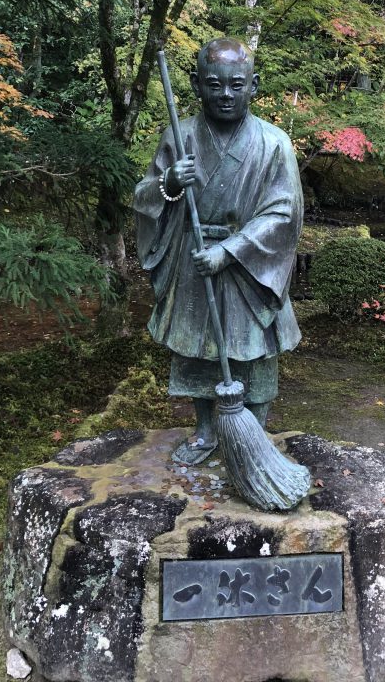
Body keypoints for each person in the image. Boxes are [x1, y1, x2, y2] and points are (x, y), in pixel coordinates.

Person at [134, 37, 303, 465]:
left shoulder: (274, 143)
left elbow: (284, 214)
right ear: (195, 84)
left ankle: (255, 434)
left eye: (236, 85)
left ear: (254, 85)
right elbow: (144, 196)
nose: (225, 94)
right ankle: (206, 432)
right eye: (215, 84)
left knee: (255, 354)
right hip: (195, 261)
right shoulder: (180, 135)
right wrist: (169, 183)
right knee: (200, 351)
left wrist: (230, 250)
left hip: (249, 265)